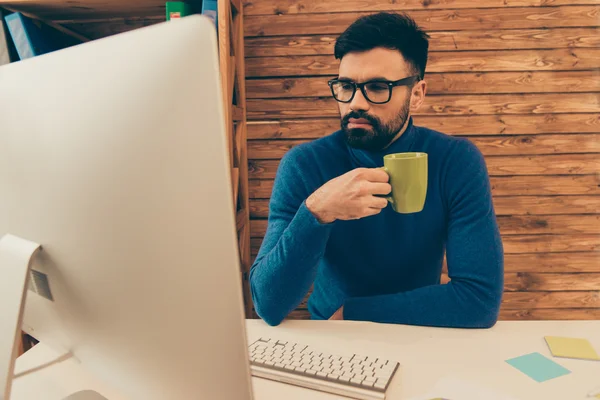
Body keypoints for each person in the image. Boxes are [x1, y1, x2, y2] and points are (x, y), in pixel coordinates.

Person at [249, 12, 504, 328]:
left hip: (423, 332)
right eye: (346, 86)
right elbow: (268, 305)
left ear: (417, 94)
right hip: (335, 338)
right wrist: (316, 211)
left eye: (377, 87)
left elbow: (479, 300)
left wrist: (354, 314)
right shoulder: (305, 164)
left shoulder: (455, 161)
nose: (356, 103)